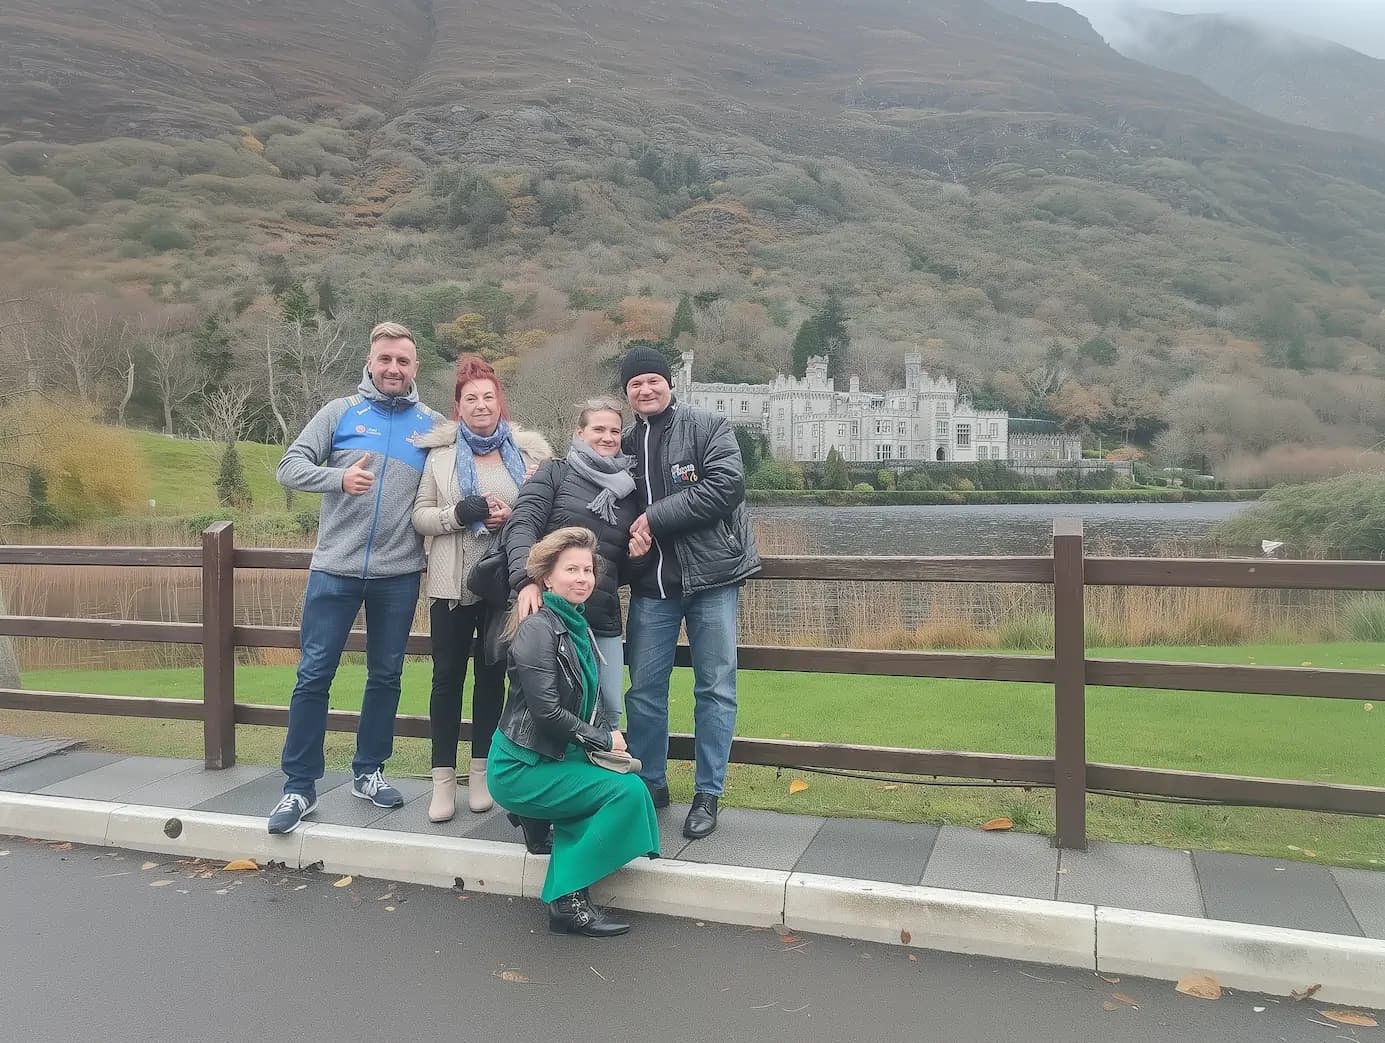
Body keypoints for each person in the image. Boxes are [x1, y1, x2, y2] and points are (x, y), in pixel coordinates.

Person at [268, 322, 441, 835]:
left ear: (415, 368)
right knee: (314, 675)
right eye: (384, 359)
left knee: (386, 676)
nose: (393, 369)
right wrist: (338, 478)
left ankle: (369, 771)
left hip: (399, 574)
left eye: (402, 361)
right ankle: (299, 786)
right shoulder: (340, 412)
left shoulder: (432, 426)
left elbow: (456, 481)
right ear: (370, 362)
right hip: (334, 569)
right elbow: (288, 466)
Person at [488, 526, 660, 937]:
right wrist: (603, 739)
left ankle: (536, 819)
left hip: (553, 754)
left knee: (620, 779)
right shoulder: (537, 629)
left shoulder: (575, 625)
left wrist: (602, 742)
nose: (583, 578)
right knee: (626, 793)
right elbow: (546, 712)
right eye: (571, 570)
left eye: (588, 570)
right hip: (520, 766)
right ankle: (567, 902)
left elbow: (584, 702)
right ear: (546, 577)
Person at [619, 345, 761, 839]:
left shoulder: (708, 426)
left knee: (715, 688)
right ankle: (651, 786)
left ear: (669, 383)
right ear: (628, 394)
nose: (646, 389)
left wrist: (654, 518)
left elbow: (726, 487)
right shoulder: (623, 444)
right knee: (644, 694)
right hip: (652, 588)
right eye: (635, 384)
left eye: (653, 380)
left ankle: (708, 792)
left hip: (712, 580)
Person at [412, 355, 550, 823]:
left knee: (492, 678)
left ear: (500, 402)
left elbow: (542, 513)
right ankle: (442, 781)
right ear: (458, 407)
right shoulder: (442, 457)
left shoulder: (529, 456)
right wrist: (462, 512)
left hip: (501, 588)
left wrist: (515, 517)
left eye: (488, 397)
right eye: (471, 398)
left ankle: (482, 774)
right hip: (452, 585)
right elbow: (420, 516)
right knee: (447, 679)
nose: (481, 405)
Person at [504, 398, 648, 729]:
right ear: (579, 433)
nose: (608, 437)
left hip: (602, 615)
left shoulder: (628, 491)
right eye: (598, 429)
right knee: (548, 707)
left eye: (614, 431)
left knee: (610, 708)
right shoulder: (553, 472)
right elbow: (522, 525)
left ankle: (602, 779)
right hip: (549, 613)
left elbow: (615, 569)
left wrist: (637, 559)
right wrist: (525, 581)